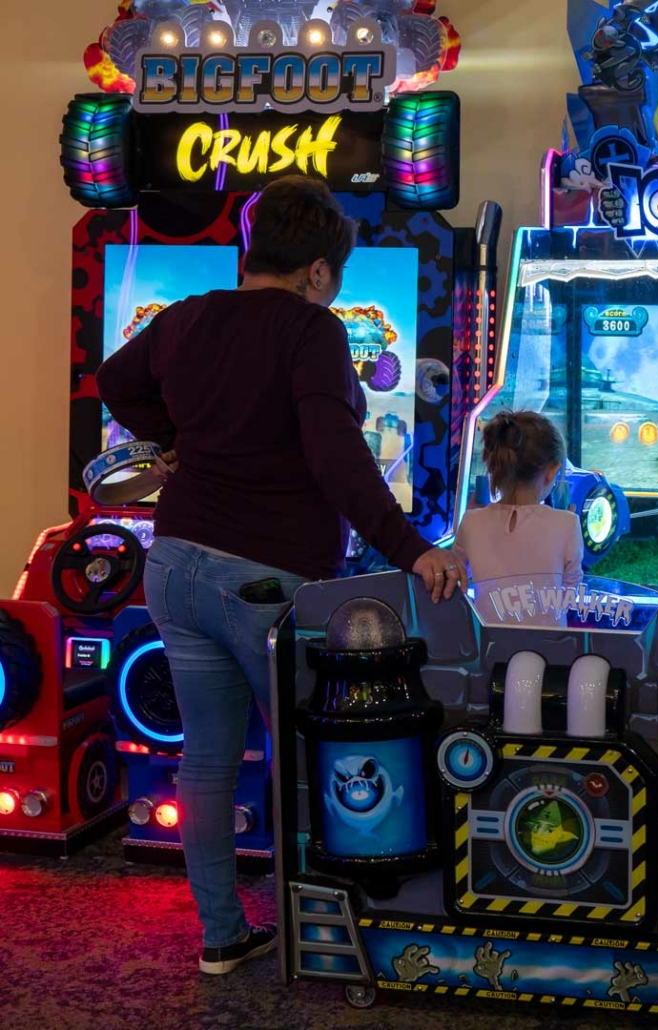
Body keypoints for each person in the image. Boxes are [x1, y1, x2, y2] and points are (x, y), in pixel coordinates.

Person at [96, 176, 464, 976]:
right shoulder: (312, 330)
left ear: (252, 251)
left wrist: (178, 436)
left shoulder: (189, 316)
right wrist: (414, 550)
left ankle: (222, 937)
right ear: (321, 273)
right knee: (314, 758)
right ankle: (330, 939)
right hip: (264, 580)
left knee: (205, 760)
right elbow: (339, 460)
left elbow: (115, 383)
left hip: (175, 564)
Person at [453, 411, 583, 626]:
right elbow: (571, 594)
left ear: (495, 466)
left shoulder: (471, 521)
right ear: (552, 472)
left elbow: (458, 578)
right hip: (552, 646)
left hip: (491, 645)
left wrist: (473, 516)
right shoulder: (567, 523)